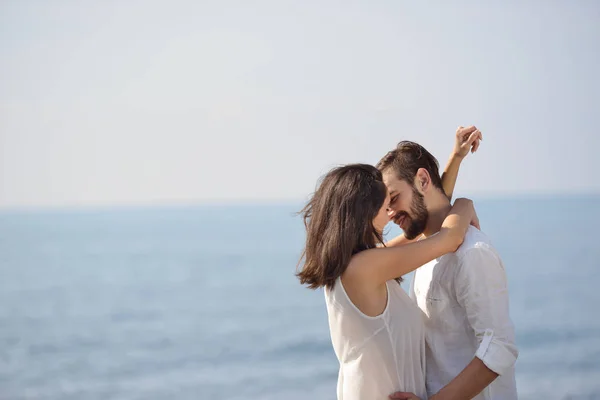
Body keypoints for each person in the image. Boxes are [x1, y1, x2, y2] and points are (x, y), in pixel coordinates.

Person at [296, 127, 481, 400]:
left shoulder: (355, 266)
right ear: (363, 212)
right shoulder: (364, 269)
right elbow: (448, 238)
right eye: (387, 204)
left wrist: (455, 158)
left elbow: (422, 220)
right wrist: (465, 204)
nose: (392, 212)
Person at [379, 139, 518, 400]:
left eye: (394, 199)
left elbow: (500, 347)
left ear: (422, 180)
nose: (390, 214)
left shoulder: (473, 254)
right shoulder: (425, 251)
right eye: (386, 207)